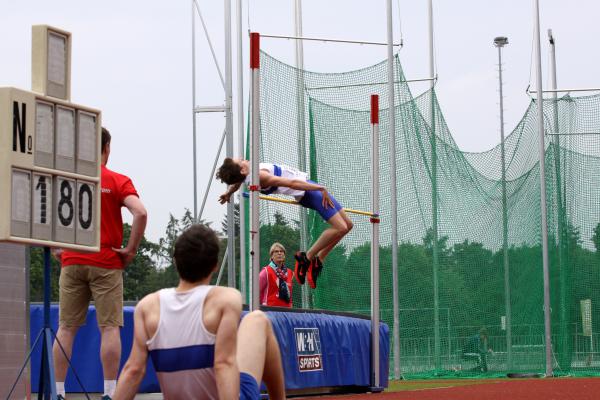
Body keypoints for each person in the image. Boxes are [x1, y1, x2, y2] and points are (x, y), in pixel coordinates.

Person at [112, 225, 286, 400]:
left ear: (175, 261)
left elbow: (133, 370)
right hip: (227, 394)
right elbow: (223, 364)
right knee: (258, 320)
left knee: (256, 320)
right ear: (215, 266)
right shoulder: (225, 299)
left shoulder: (147, 306)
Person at [52, 127, 148, 400]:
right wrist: (130, 249)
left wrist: (56, 247)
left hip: (72, 259)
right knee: (108, 327)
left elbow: (47, 212)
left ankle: (58, 391)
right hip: (106, 260)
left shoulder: (67, 179)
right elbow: (140, 212)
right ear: (107, 148)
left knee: (66, 328)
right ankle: (109, 391)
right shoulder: (117, 180)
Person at [216, 158, 353, 289]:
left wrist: (228, 192)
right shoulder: (260, 176)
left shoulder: (246, 174)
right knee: (340, 227)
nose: (242, 158)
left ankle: (318, 260)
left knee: (348, 225)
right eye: (240, 161)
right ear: (242, 170)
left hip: (308, 186)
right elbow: (291, 184)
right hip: (307, 192)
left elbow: (238, 181)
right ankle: (306, 257)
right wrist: (319, 188)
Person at [259, 242, 293, 308]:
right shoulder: (265, 271)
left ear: (284, 255)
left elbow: (290, 294)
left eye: (281, 251)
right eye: (276, 251)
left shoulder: (289, 272)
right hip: (270, 311)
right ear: (271, 256)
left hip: (286, 312)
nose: (279, 253)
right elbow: (257, 292)